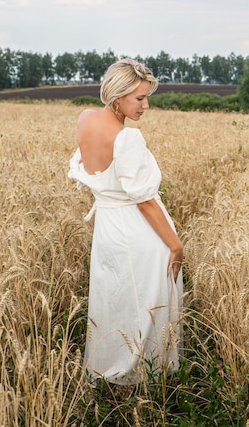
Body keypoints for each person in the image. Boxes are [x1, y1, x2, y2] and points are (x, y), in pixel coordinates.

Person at [68, 59, 183, 385]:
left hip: (107, 231)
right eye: (139, 98)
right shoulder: (126, 138)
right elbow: (145, 201)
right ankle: (145, 376)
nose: (146, 106)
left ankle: (108, 369)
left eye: (147, 97)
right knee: (146, 304)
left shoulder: (85, 119)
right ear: (117, 97)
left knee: (113, 299)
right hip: (137, 232)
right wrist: (175, 245)